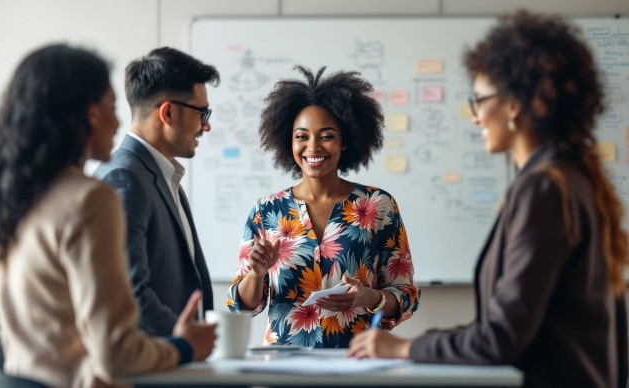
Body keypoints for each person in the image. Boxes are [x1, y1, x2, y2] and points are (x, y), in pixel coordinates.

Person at [348, 11, 629, 388]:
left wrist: (402, 349)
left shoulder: (544, 188)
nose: (476, 116)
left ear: (513, 104)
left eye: (479, 99)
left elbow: (500, 337)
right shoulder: (572, 179)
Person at [0, 44, 216, 387]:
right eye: (112, 107)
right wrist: (184, 347)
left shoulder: (19, 196)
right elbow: (116, 350)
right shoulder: (91, 197)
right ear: (89, 113)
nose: (118, 121)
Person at [227, 66, 420, 348]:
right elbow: (242, 306)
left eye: (326, 135)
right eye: (302, 136)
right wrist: (256, 274)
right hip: (282, 366)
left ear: (345, 141)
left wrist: (369, 297)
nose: (313, 147)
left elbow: (406, 295)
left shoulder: (379, 206)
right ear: (288, 141)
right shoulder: (266, 211)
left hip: (358, 361)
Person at [94, 47, 219, 336]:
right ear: (168, 112)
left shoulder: (162, 175)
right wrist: (184, 338)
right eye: (202, 113)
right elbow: (129, 293)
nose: (207, 125)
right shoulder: (124, 178)